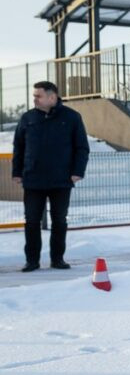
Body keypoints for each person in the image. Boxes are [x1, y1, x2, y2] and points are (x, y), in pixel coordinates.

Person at [11, 81, 90, 272]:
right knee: (31, 221)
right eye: (34, 96)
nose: (34, 99)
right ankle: (32, 261)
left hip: (61, 180)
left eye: (38, 96)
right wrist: (17, 172)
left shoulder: (71, 117)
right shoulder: (28, 118)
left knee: (59, 220)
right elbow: (19, 147)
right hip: (33, 179)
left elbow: (82, 147)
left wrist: (77, 171)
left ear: (52, 97)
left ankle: (57, 259)